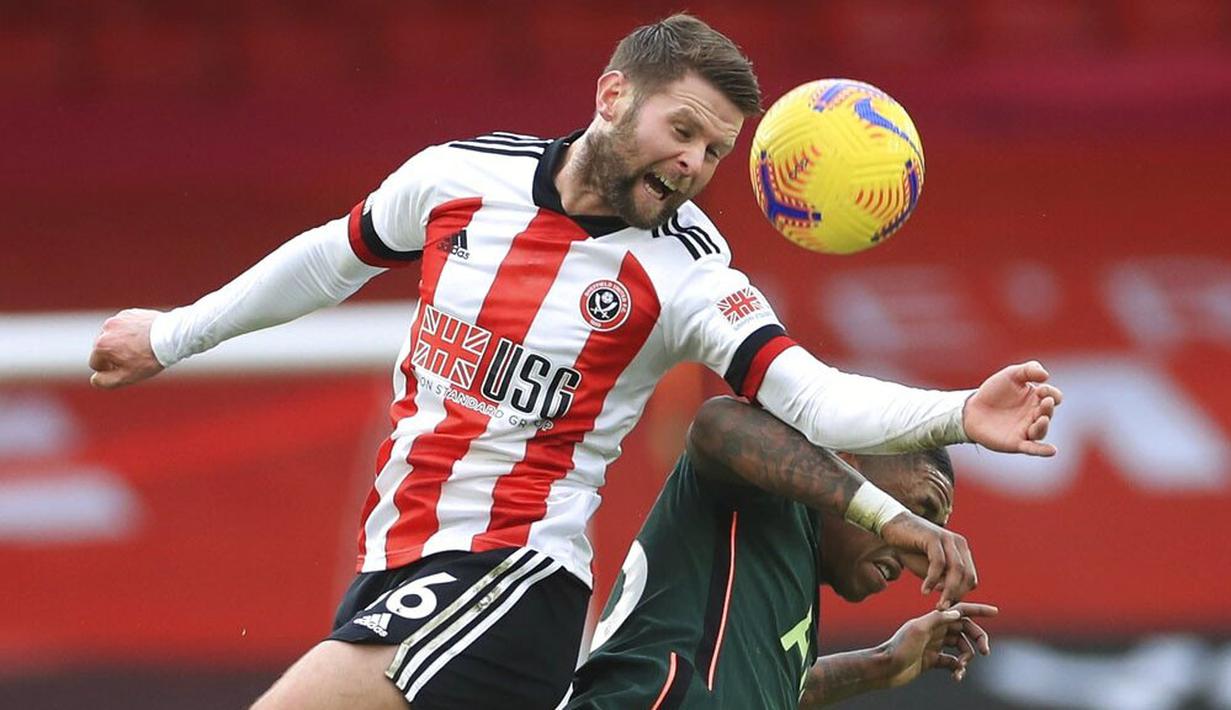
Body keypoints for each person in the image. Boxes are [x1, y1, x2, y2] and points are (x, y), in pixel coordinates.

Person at [87, 13, 1058, 710]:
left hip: (512, 579)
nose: (690, 166)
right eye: (681, 131)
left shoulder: (685, 271)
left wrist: (958, 409)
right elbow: (332, 257)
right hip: (396, 567)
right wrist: (170, 336)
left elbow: (806, 393)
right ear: (611, 95)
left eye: (714, 152)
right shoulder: (462, 178)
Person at [569, 397, 997, 708]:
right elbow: (716, 424)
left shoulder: (790, 587)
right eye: (919, 513)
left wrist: (883, 663)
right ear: (847, 463)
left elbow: (765, 689)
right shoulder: (766, 496)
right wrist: (890, 518)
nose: (911, 551)